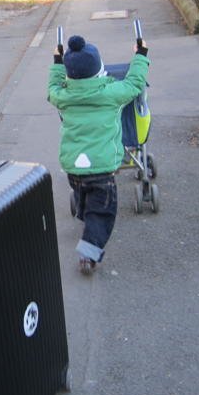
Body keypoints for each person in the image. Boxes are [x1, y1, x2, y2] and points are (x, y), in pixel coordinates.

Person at [47, 34, 150, 274]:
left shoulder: (63, 96)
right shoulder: (112, 92)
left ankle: (85, 215)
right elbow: (135, 84)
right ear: (99, 70)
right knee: (102, 212)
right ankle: (89, 252)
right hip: (102, 169)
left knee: (83, 193)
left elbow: (52, 87)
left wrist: (56, 61)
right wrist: (140, 56)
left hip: (73, 167)